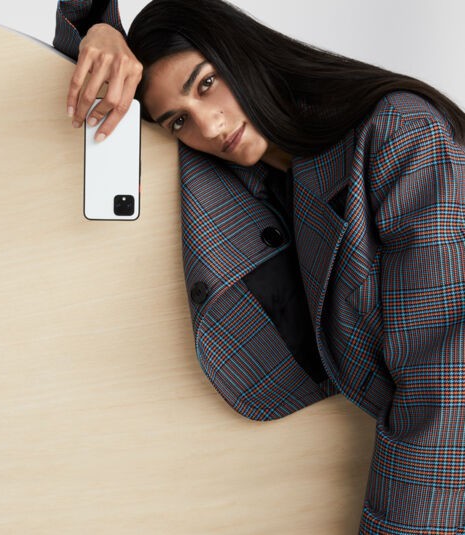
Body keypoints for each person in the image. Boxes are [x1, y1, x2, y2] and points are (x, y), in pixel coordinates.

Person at [54, 0, 465, 532]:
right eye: (179, 119)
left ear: (241, 53)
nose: (208, 124)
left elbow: (447, 383)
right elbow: (85, 92)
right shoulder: (248, 184)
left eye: (205, 84)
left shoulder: (398, 135)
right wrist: (100, 32)